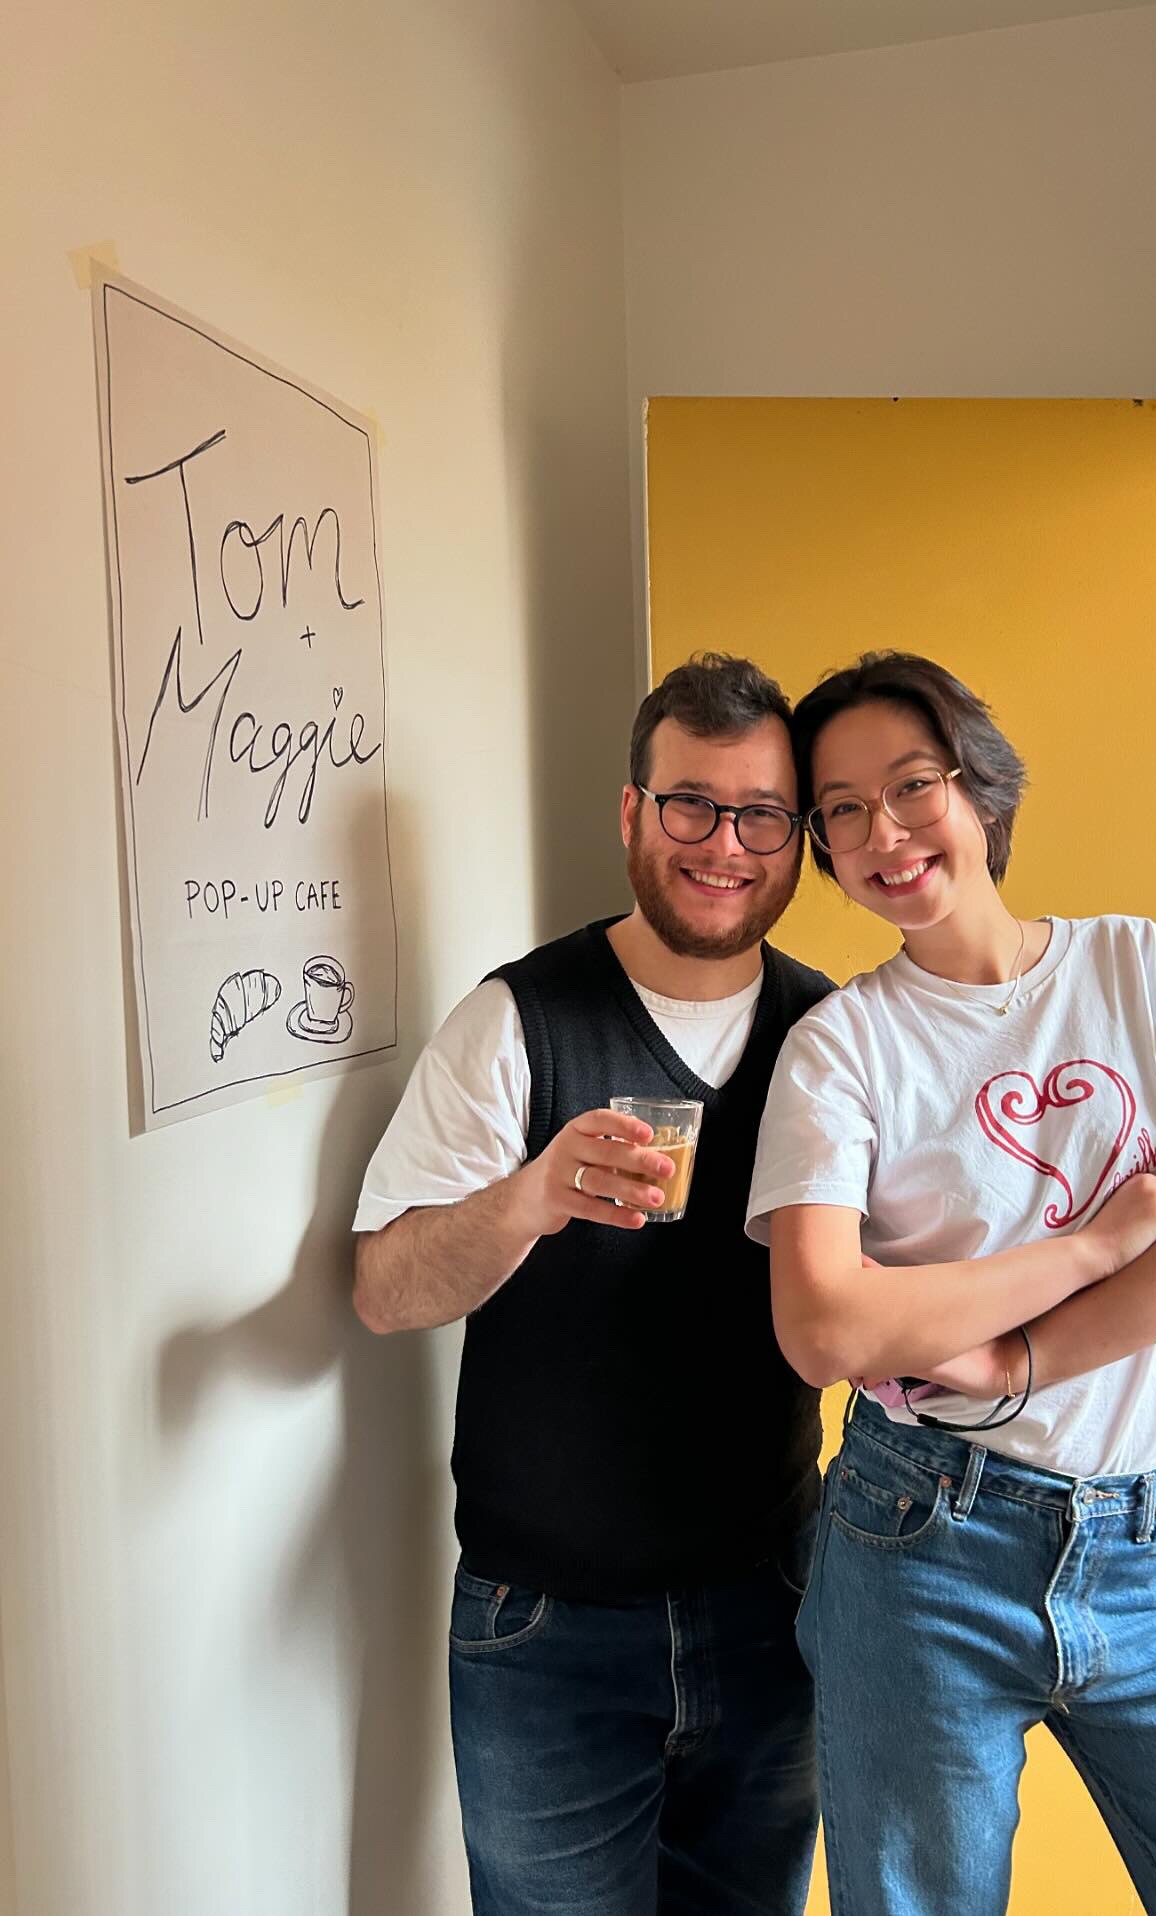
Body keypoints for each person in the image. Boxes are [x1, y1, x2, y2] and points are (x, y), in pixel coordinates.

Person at [746, 651, 1156, 1916]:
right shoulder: (841, 1047)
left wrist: (1022, 1357)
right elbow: (825, 1323)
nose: (885, 832)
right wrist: (1104, 1243)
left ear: (979, 785)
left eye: (912, 785)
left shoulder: (1136, 968)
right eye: (843, 812)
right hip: (921, 1546)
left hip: (1154, 1547)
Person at [352, 654, 834, 1916]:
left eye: (760, 813)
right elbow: (385, 1290)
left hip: (771, 1604)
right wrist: (531, 1195)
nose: (723, 843)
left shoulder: (833, 1037)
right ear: (631, 812)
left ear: (795, 839)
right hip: (541, 1630)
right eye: (689, 803)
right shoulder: (515, 1023)